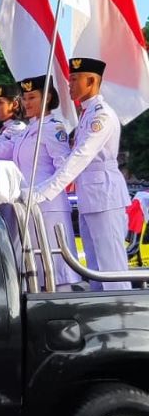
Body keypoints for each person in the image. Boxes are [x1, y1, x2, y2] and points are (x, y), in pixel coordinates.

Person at [32, 58, 132, 291]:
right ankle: (100, 317)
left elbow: (80, 157)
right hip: (90, 195)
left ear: (91, 81)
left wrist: (45, 191)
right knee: (95, 269)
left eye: (75, 79)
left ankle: (120, 319)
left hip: (104, 196)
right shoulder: (87, 114)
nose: (69, 84)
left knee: (112, 269)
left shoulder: (101, 115)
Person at [0, 75, 81, 289]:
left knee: (56, 275)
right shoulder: (28, 129)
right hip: (29, 208)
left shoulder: (53, 129)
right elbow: (2, 149)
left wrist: (41, 193)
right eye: (25, 98)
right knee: (36, 273)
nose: (27, 103)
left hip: (49, 209)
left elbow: (65, 170)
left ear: (46, 98)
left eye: (32, 97)